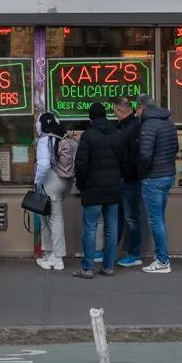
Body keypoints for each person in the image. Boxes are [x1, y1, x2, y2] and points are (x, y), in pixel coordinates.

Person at [72, 104, 125, 278]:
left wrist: (81, 184)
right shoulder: (116, 134)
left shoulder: (88, 136)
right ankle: (108, 266)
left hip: (93, 189)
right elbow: (123, 161)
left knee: (90, 229)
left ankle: (87, 268)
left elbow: (81, 164)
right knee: (111, 229)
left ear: (91, 118)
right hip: (112, 189)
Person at [134, 95, 176, 272]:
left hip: (154, 178)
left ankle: (162, 261)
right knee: (160, 218)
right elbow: (175, 148)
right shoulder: (167, 122)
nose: (136, 112)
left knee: (155, 219)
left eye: (137, 109)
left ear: (142, 108)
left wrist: (140, 171)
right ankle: (162, 257)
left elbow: (144, 155)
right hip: (168, 175)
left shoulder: (148, 125)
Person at [32, 112, 74, 271]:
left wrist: (37, 182)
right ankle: (50, 253)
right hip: (65, 181)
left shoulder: (45, 140)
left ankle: (57, 258)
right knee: (47, 217)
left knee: (53, 219)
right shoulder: (63, 138)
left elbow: (43, 165)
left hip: (51, 182)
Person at [112, 95, 147, 267]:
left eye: (115, 112)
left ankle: (134, 254)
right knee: (118, 217)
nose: (114, 115)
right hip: (123, 178)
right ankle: (112, 250)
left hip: (130, 180)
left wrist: (125, 174)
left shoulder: (133, 127)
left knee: (132, 218)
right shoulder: (125, 125)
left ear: (120, 110)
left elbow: (134, 156)